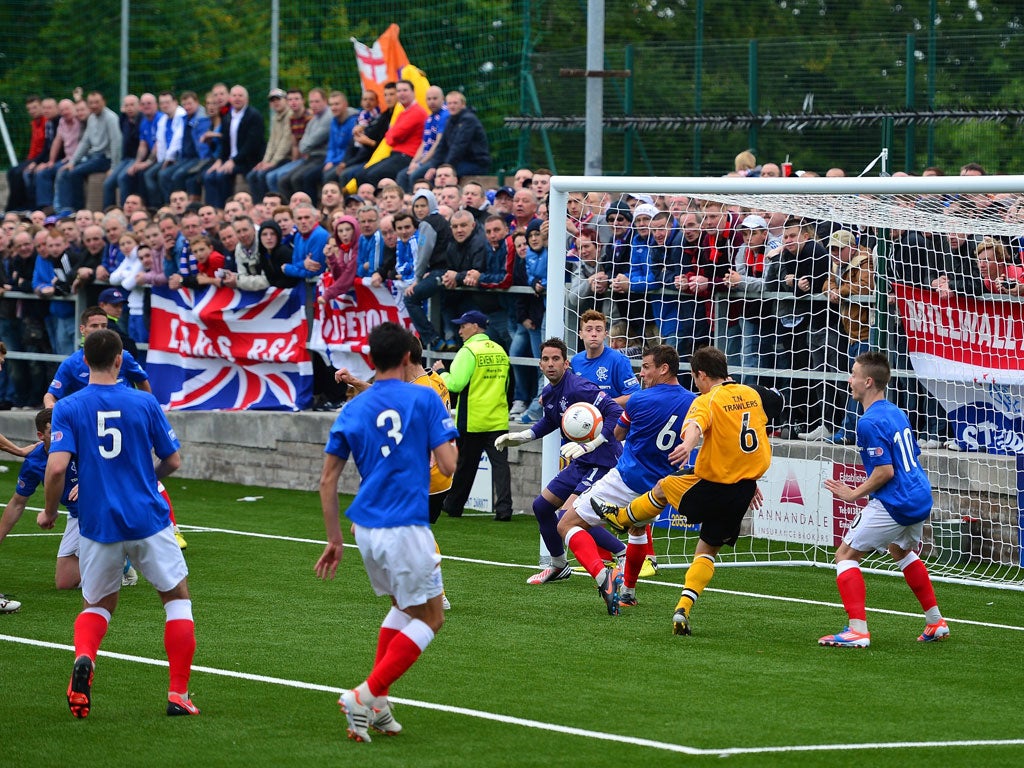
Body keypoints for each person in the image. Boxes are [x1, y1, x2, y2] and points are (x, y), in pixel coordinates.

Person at [41, 329, 197, 718]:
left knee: (97, 604)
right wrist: (150, 477)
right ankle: (178, 694)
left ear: (84, 362)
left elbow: (57, 467)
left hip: (97, 524)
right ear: (119, 361)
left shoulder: (69, 407)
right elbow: (174, 461)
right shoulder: (144, 402)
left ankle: (85, 660)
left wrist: (49, 510)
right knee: (176, 599)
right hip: (147, 518)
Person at [316, 323, 458, 743]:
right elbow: (448, 465)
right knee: (432, 617)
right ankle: (366, 694)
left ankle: (378, 705)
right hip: (405, 525)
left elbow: (327, 480)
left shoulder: (353, 408)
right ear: (407, 359)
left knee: (401, 606)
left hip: (364, 529)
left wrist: (334, 539)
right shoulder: (426, 397)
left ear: (371, 359)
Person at [594, 346, 777, 635]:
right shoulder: (752, 394)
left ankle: (623, 518)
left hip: (713, 486)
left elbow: (694, 426)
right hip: (743, 489)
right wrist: (747, 475)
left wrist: (689, 444)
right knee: (706, 552)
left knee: (665, 486)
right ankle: (683, 608)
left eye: (696, 378)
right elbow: (773, 405)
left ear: (701, 375)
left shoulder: (706, 400)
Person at [818, 352, 949, 648]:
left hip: (896, 501)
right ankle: (935, 621)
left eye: (853, 375)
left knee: (845, 556)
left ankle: (857, 631)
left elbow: (885, 472)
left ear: (867, 381)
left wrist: (853, 493)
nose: (849, 380)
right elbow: (912, 455)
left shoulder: (867, 423)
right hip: (919, 495)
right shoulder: (896, 411)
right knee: (900, 550)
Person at [560, 345, 696, 609]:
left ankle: (604, 577)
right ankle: (628, 593)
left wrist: (587, 436)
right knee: (637, 529)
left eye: (646, 367)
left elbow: (618, 435)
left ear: (663, 368)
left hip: (625, 480)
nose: (641, 374)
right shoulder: (693, 402)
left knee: (566, 524)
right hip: (660, 488)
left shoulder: (638, 401)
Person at [494, 338, 629, 585]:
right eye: (546, 359)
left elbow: (615, 411)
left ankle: (623, 553)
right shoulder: (549, 392)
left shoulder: (580, 387)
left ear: (566, 363)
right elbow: (550, 420)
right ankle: (558, 565)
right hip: (580, 462)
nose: (550, 364)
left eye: (556, 359)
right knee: (542, 507)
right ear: (540, 364)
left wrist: (593, 443)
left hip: (602, 459)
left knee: (569, 515)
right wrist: (523, 436)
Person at [432, 310, 513, 521]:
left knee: (465, 466)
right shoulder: (500, 350)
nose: (459, 331)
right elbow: (507, 386)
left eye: (463, 326)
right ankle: (504, 509)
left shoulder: (468, 351)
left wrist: (441, 372)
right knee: (501, 466)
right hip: (497, 418)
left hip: (473, 420)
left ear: (475, 327)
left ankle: (454, 505)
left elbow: (455, 384)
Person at [0, 408, 84, 590]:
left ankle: (119, 548)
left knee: (100, 581)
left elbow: (116, 464)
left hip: (104, 508)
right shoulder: (34, 462)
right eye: (54, 432)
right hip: (77, 515)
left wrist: (90, 479)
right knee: (65, 583)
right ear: (40, 436)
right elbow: (17, 503)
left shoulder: (82, 444)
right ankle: (117, 558)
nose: (62, 436)